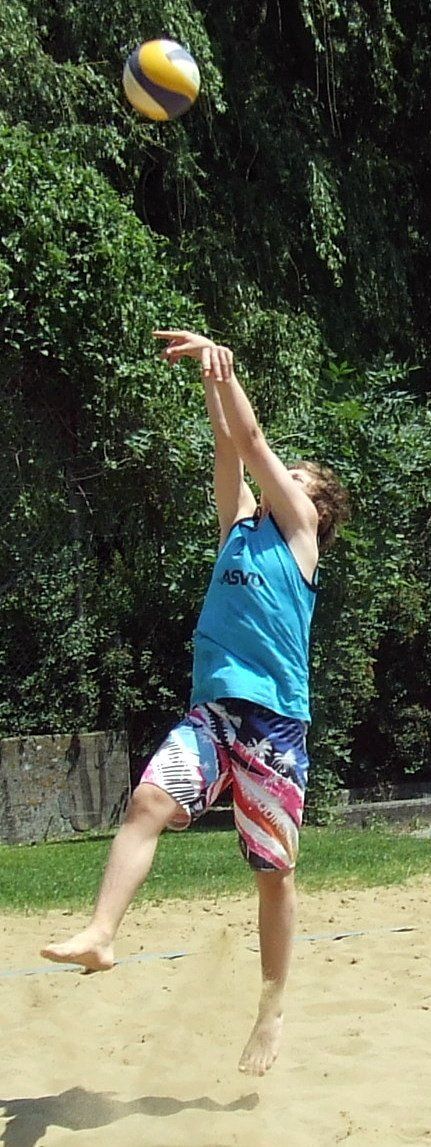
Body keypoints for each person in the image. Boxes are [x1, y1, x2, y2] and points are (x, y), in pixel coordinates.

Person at [41, 329, 349, 1076]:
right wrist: (210, 379)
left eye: (296, 477)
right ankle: (101, 933)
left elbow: (251, 441)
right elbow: (230, 447)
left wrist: (225, 363)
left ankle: (271, 1005)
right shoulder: (239, 529)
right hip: (213, 711)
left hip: (273, 722)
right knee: (148, 800)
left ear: (314, 505)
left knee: (272, 872)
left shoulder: (299, 535)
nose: (281, 477)